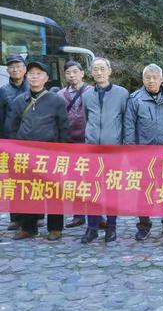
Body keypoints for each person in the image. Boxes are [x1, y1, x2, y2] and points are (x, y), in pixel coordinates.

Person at [9, 61, 70, 241]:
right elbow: (12, 126)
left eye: (39, 73)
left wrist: (62, 152)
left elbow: (63, 128)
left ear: (46, 78)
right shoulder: (20, 100)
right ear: (27, 77)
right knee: (28, 190)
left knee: (53, 191)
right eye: (31, 73)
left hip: (50, 153)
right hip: (25, 154)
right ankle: (29, 227)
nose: (34, 76)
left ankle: (55, 227)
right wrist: (14, 150)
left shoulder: (56, 100)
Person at [124, 64, 163, 241]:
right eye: (148, 77)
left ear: (162, 79)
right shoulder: (134, 99)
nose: (151, 80)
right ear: (143, 79)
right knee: (143, 191)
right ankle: (143, 225)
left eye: (155, 77)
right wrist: (131, 152)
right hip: (144, 154)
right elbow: (129, 127)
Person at [81, 58, 129, 244]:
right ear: (91, 73)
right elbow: (87, 118)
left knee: (111, 190)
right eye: (95, 69)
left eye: (102, 69)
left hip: (113, 149)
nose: (99, 72)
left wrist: (123, 146)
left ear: (109, 71)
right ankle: (92, 227)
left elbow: (126, 121)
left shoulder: (122, 94)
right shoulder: (87, 95)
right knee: (91, 190)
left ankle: (111, 227)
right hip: (92, 149)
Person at [58, 61, 93, 229]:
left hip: (90, 142)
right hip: (70, 143)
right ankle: (78, 215)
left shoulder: (92, 92)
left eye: (74, 72)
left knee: (93, 181)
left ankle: (96, 215)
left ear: (82, 73)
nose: (72, 75)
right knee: (74, 181)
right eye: (68, 73)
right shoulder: (60, 95)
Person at [0, 54, 30, 231]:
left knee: (34, 179)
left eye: (19, 66)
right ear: (8, 70)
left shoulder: (33, 87)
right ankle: (16, 217)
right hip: (11, 141)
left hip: (31, 141)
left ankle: (37, 214)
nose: (15, 69)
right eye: (12, 67)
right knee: (13, 180)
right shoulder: (3, 91)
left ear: (25, 69)